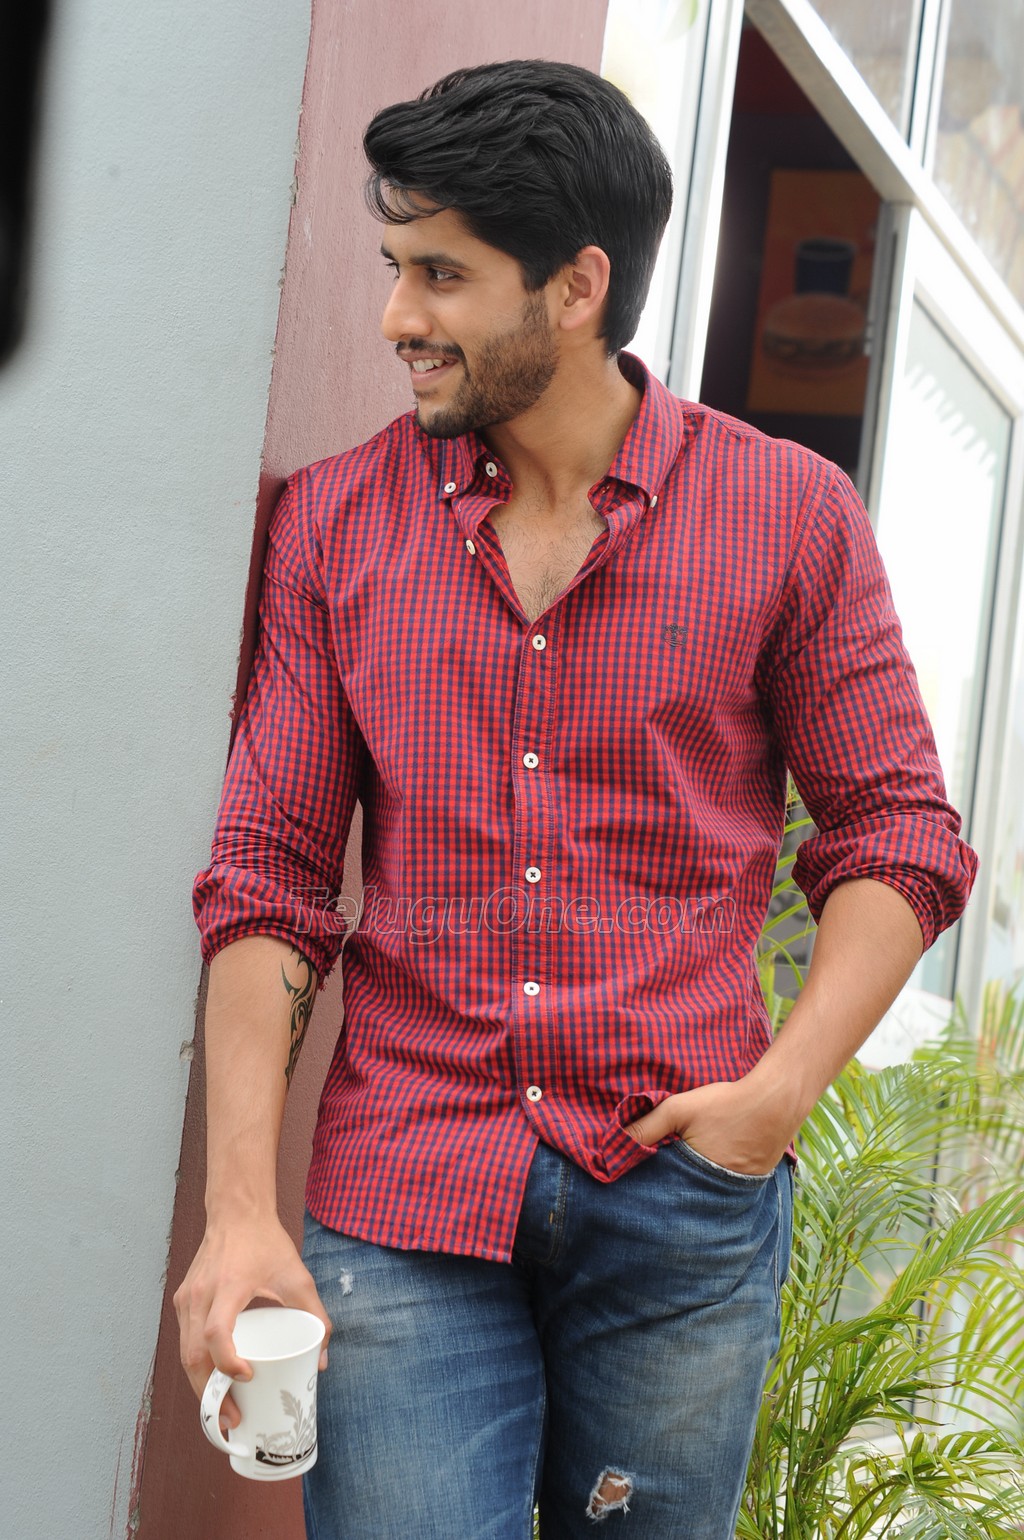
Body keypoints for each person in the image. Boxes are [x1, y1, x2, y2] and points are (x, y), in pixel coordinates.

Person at [175, 59, 977, 1539]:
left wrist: (778, 1098)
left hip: (683, 1198)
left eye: (441, 275)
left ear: (577, 287)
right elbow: (269, 873)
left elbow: (898, 838)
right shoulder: (336, 526)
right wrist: (238, 1210)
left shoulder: (788, 517)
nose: (397, 316)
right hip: (406, 1192)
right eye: (396, 267)